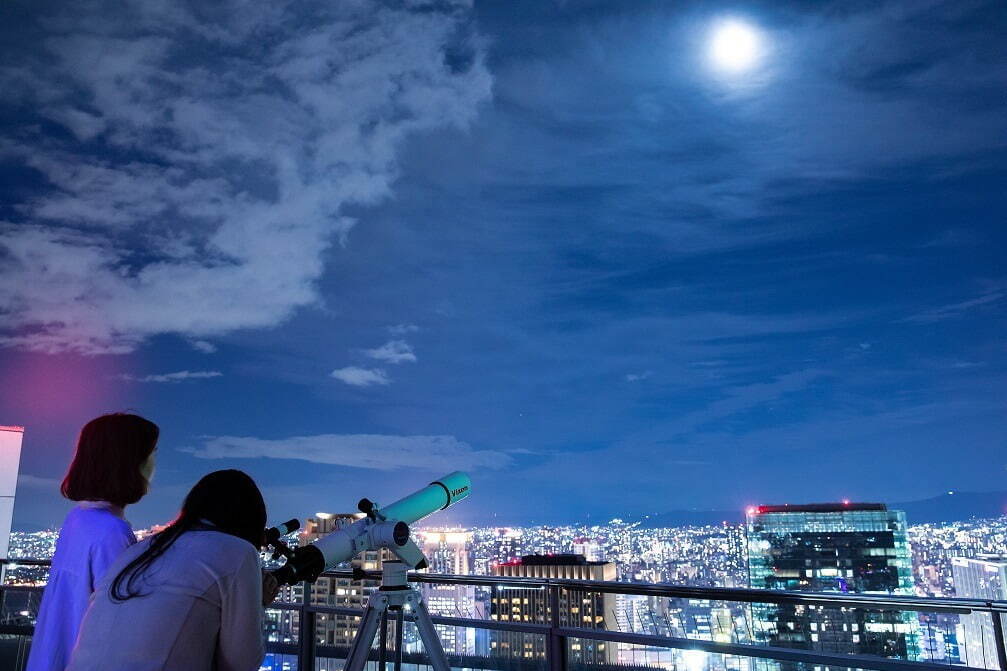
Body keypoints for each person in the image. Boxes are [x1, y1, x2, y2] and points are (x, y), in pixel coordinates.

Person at [66, 469, 278, 671]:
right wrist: (258, 603)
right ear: (251, 520)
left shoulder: (142, 550)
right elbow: (242, 664)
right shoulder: (239, 552)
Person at [27, 413, 159, 671]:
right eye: (152, 452)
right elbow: (120, 624)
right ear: (130, 462)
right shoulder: (111, 533)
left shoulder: (79, 519)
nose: (154, 464)